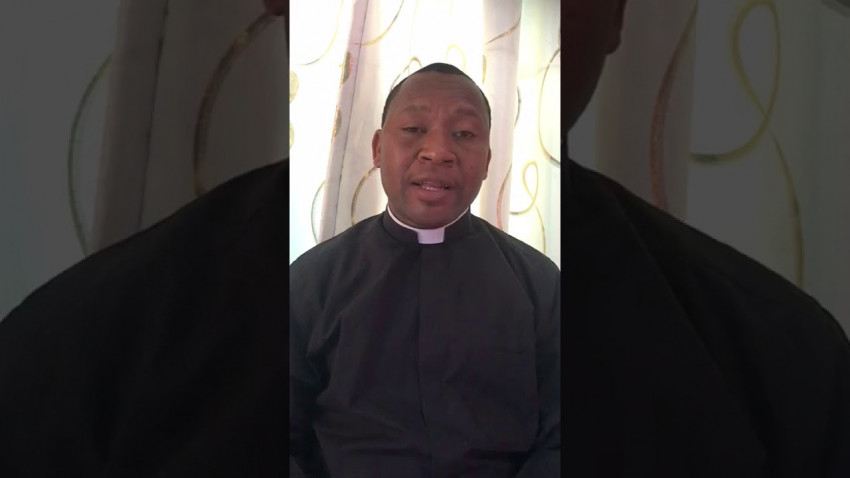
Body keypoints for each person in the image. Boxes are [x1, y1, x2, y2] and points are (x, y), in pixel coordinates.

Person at [289, 62, 560, 477]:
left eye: (463, 134)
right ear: (378, 148)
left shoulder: (540, 285)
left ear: (488, 160)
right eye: (414, 129)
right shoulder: (311, 282)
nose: (437, 151)